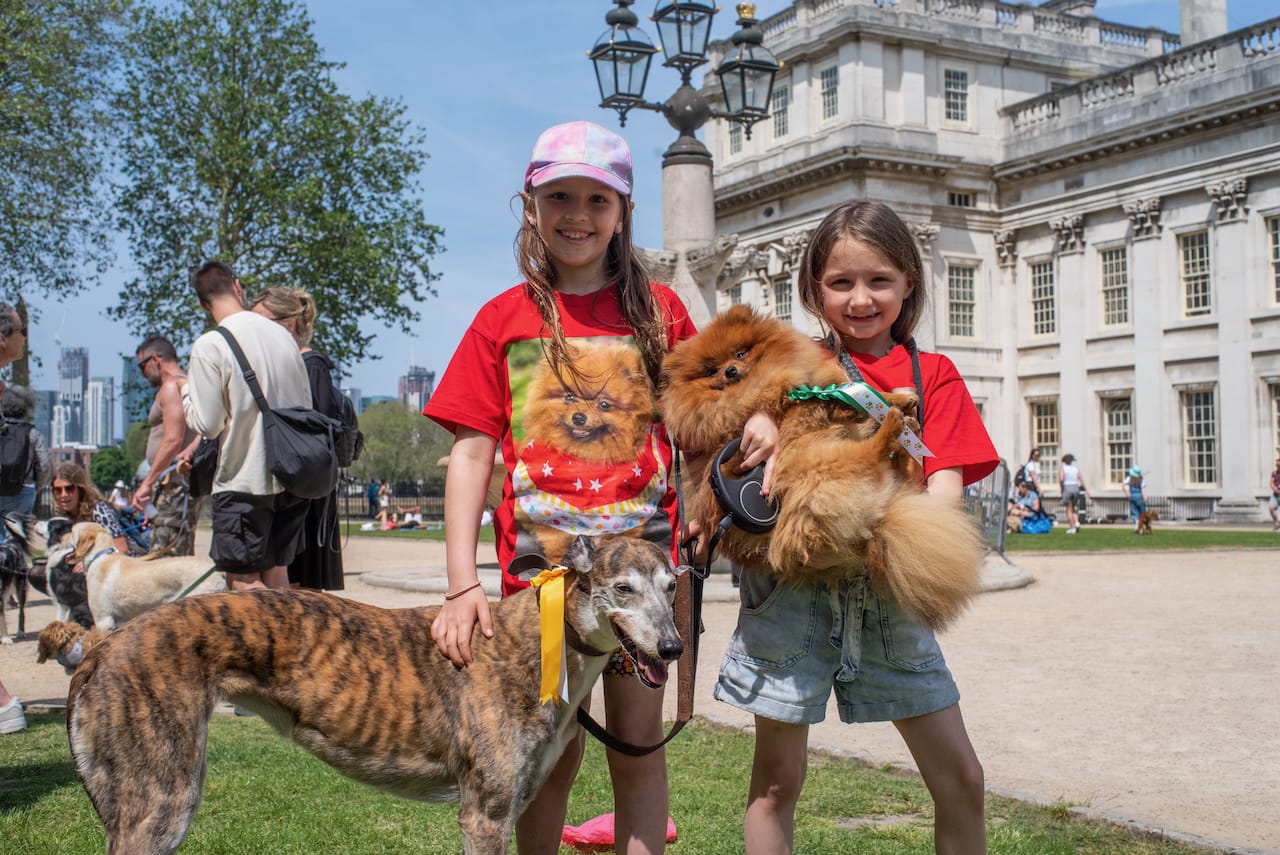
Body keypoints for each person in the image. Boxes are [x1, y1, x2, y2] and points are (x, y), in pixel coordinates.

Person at [425, 121, 753, 855]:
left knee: (637, 744)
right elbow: (473, 456)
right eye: (560, 197)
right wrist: (458, 584)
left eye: (596, 200)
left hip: (646, 584)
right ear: (531, 206)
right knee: (547, 752)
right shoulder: (500, 320)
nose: (577, 215)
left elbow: (703, 427)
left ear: (623, 209)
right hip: (540, 586)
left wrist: (724, 470)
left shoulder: (661, 313)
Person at [715, 201, 996, 855]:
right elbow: (741, 415)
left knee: (962, 777)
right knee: (777, 782)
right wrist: (759, 420)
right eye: (841, 282)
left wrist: (927, 539)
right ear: (813, 289)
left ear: (909, 284)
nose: (861, 298)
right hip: (792, 590)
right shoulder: (788, 360)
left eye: (879, 280)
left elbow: (946, 488)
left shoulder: (937, 378)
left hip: (887, 590)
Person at [181, 261, 312, 592]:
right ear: (237, 286)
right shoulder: (285, 338)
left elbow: (208, 425)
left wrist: (186, 394)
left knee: (243, 581)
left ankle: (266, 645)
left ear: (202, 304)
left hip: (243, 480)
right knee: (278, 575)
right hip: (290, 476)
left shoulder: (210, 345)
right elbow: (305, 407)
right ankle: (287, 643)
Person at [250, 286, 344, 591]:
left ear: (287, 324)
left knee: (302, 584)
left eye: (260, 322)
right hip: (294, 480)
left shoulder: (311, 364)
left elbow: (312, 425)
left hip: (304, 485)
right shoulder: (294, 364)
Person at [132, 336, 203, 556]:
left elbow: (172, 440)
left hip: (174, 484)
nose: (142, 374)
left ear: (155, 359)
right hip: (172, 484)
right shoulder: (186, 383)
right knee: (173, 552)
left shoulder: (173, 386)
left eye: (142, 366)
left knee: (166, 559)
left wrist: (147, 483)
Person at [50, 462, 132, 554]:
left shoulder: (99, 510)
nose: (63, 495)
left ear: (80, 489)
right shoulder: (59, 515)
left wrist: (90, 561)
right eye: (58, 490)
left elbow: (122, 549)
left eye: (69, 489)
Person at [0, 385, 49, 521]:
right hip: (23, 490)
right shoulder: (33, 433)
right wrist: (36, 485)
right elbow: (44, 466)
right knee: (18, 533)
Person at [1058, 453, 1091, 534]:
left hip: (1067, 487)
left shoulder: (1063, 468)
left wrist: (1062, 488)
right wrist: (1086, 490)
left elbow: (1061, 479)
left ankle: (1072, 527)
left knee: (1068, 509)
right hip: (1075, 487)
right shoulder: (1075, 468)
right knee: (1074, 508)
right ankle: (1077, 522)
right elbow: (1081, 479)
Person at [1124, 465, 1147, 532]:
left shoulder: (1129, 479)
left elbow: (1124, 486)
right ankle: (1143, 525)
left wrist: (1127, 493)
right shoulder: (1141, 480)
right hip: (1140, 497)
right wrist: (1145, 497)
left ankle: (1137, 523)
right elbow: (1143, 490)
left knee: (1134, 511)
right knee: (1142, 512)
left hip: (1132, 497)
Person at [1268, 458, 1280, 531]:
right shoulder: (1274, 473)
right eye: (1276, 464)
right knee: (1271, 508)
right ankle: (1277, 523)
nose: (1276, 465)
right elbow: (1271, 482)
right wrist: (1274, 488)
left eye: (1278, 464)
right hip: (1275, 494)